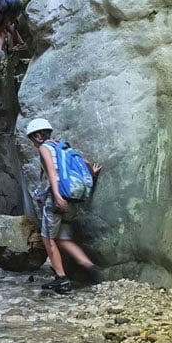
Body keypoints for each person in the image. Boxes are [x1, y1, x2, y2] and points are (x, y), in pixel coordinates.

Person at [24, 117, 104, 294]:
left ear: (37, 136)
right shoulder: (62, 146)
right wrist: (93, 174)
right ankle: (91, 268)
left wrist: (57, 195)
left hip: (58, 198)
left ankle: (61, 278)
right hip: (73, 199)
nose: (33, 142)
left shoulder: (45, 148)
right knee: (63, 238)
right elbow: (86, 164)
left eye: (32, 138)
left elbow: (52, 173)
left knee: (48, 238)